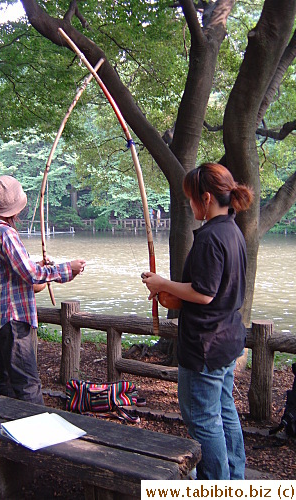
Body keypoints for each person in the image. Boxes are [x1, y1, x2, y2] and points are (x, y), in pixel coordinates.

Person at [142, 162, 254, 480]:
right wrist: (169, 290)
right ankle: (234, 476)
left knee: (203, 418)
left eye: (191, 198)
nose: (190, 204)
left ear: (205, 198)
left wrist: (163, 283)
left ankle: (215, 484)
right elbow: (215, 291)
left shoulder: (209, 238)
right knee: (224, 410)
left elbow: (204, 293)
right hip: (227, 339)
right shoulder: (233, 230)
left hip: (206, 344)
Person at [0, 175, 86, 406]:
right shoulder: (6, 234)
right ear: (15, 208)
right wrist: (67, 269)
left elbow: (16, 272)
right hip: (14, 320)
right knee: (27, 384)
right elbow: (30, 276)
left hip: (1, 318)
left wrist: (39, 266)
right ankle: (38, 437)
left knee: (7, 381)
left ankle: (5, 428)